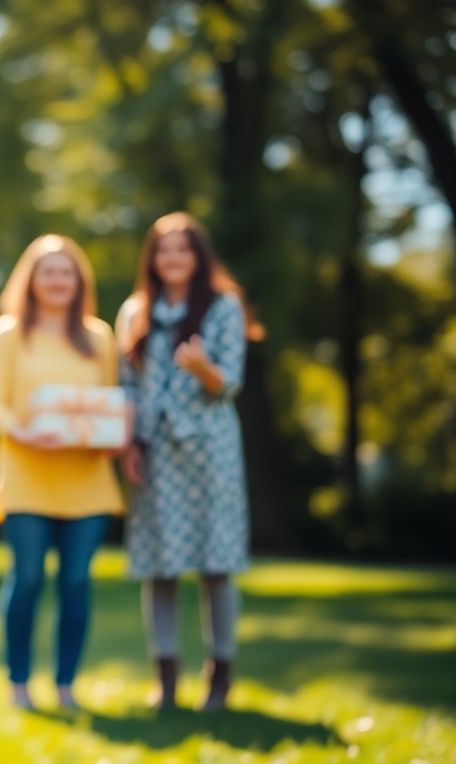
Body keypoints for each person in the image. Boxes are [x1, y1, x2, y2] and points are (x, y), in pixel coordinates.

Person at [116, 212, 260, 712]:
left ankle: (219, 678)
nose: (172, 258)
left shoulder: (223, 306)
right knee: (161, 566)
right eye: (163, 249)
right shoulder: (135, 311)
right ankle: (167, 680)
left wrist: (203, 369)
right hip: (155, 453)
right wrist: (129, 444)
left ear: (198, 256)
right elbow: (127, 384)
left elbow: (230, 383)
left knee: (217, 564)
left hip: (210, 452)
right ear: (152, 259)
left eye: (182, 249)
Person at [0, 234, 125, 711]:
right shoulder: (6, 333)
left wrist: (114, 434)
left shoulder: (99, 336)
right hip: (25, 477)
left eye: (67, 272)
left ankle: (66, 686)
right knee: (27, 579)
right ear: (32, 280)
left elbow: (109, 402)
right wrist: (22, 432)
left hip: (88, 480)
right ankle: (18, 682)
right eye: (49, 272)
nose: (59, 281)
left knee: (77, 582)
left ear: (79, 281)